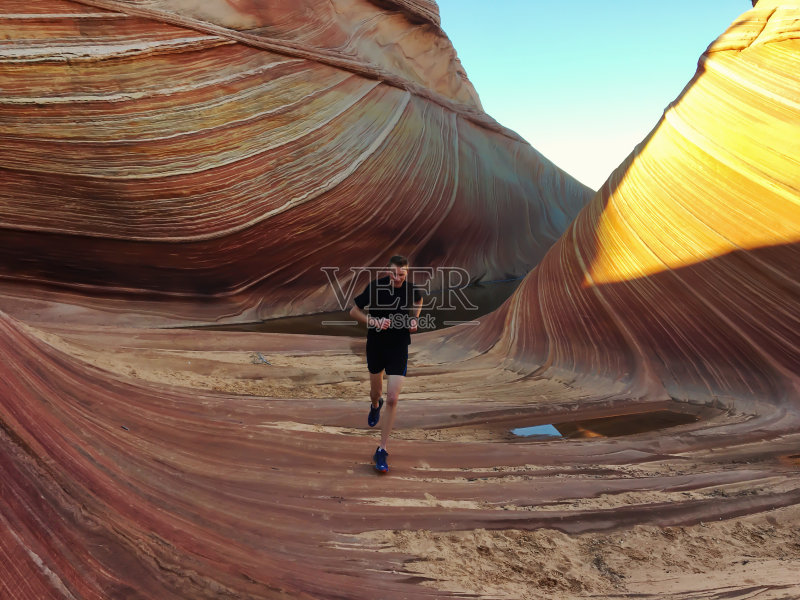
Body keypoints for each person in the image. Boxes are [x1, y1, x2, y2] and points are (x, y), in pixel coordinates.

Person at [349, 255, 423, 473]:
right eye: (394, 273)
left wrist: (415, 319)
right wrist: (375, 321)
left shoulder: (411, 289)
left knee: (393, 398)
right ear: (387, 271)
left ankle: (382, 449)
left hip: (399, 346)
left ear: (407, 273)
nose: (397, 278)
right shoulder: (375, 287)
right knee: (376, 393)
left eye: (402, 274)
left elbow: (419, 301)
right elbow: (354, 311)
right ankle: (374, 405)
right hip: (376, 346)